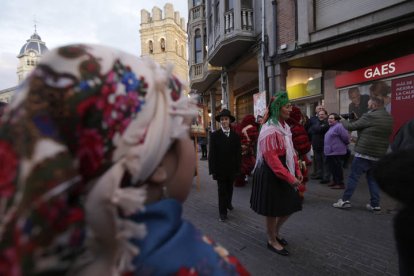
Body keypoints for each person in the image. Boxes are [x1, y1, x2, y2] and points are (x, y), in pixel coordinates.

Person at [0, 44, 249, 275]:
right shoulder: (208, 266)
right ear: (158, 165)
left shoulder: (48, 250)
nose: (191, 141)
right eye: (183, 133)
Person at [250, 92, 303, 257]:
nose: (291, 109)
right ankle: (271, 239)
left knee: (291, 206)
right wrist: (290, 177)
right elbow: (272, 160)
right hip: (271, 174)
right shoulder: (269, 130)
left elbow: (292, 152)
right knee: (272, 210)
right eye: (287, 106)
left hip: (284, 170)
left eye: (290, 105)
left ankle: (276, 233)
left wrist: (298, 170)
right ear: (278, 109)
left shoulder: (285, 127)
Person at [333, 96, 393, 211]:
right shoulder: (388, 117)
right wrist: (357, 119)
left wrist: (342, 119)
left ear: (374, 105)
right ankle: (375, 205)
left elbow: (351, 126)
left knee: (353, 177)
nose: (367, 106)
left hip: (364, 153)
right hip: (379, 154)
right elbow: (369, 128)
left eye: (369, 104)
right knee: (372, 179)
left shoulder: (370, 115)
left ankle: (345, 201)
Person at [208, 109, 242, 222]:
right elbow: (212, 154)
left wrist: (238, 168)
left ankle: (228, 203)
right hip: (220, 170)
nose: (224, 121)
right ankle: (222, 213)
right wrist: (212, 170)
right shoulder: (214, 136)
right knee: (222, 191)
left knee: (230, 188)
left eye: (226, 119)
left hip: (232, 169)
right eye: (222, 119)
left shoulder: (236, 136)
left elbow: (238, 154)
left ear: (230, 121)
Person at [286, 106, 311, 200]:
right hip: (292, 158)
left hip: (297, 158)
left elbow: (304, 147)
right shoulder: (287, 126)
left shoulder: (296, 128)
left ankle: (298, 195)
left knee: (298, 176)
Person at [324, 113, 350, 189]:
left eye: (332, 118)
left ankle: (340, 183)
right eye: (329, 118)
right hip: (331, 152)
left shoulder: (339, 126)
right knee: (333, 168)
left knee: (337, 168)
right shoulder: (331, 127)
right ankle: (335, 181)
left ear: (336, 120)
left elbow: (345, 137)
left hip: (337, 151)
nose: (329, 119)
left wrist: (346, 143)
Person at [234, 114, 259, 187]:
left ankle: (239, 179)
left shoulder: (239, 126)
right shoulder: (251, 128)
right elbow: (252, 138)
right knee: (246, 165)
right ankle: (239, 181)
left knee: (241, 165)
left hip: (239, 149)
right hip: (245, 150)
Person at [309, 109, 330, 184]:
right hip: (316, 145)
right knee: (318, 162)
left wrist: (315, 128)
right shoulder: (317, 122)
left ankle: (326, 177)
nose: (321, 115)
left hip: (324, 146)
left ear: (326, 115)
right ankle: (319, 175)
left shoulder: (327, 122)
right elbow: (310, 130)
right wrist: (316, 128)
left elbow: (319, 129)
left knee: (325, 162)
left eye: (322, 114)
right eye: (319, 114)